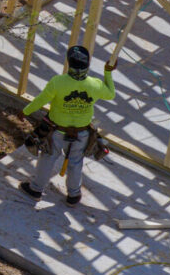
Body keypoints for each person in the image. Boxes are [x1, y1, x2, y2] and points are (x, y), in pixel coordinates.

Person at [22, 43, 117, 205]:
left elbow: (41, 100)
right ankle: (73, 195)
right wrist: (108, 72)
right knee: (75, 162)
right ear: (87, 64)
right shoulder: (94, 85)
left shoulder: (58, 82)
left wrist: (25, 112)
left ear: (69, 63)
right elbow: (111, 94)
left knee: (48, 157)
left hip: (57, 130)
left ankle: (36, 189)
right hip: (82, 133)